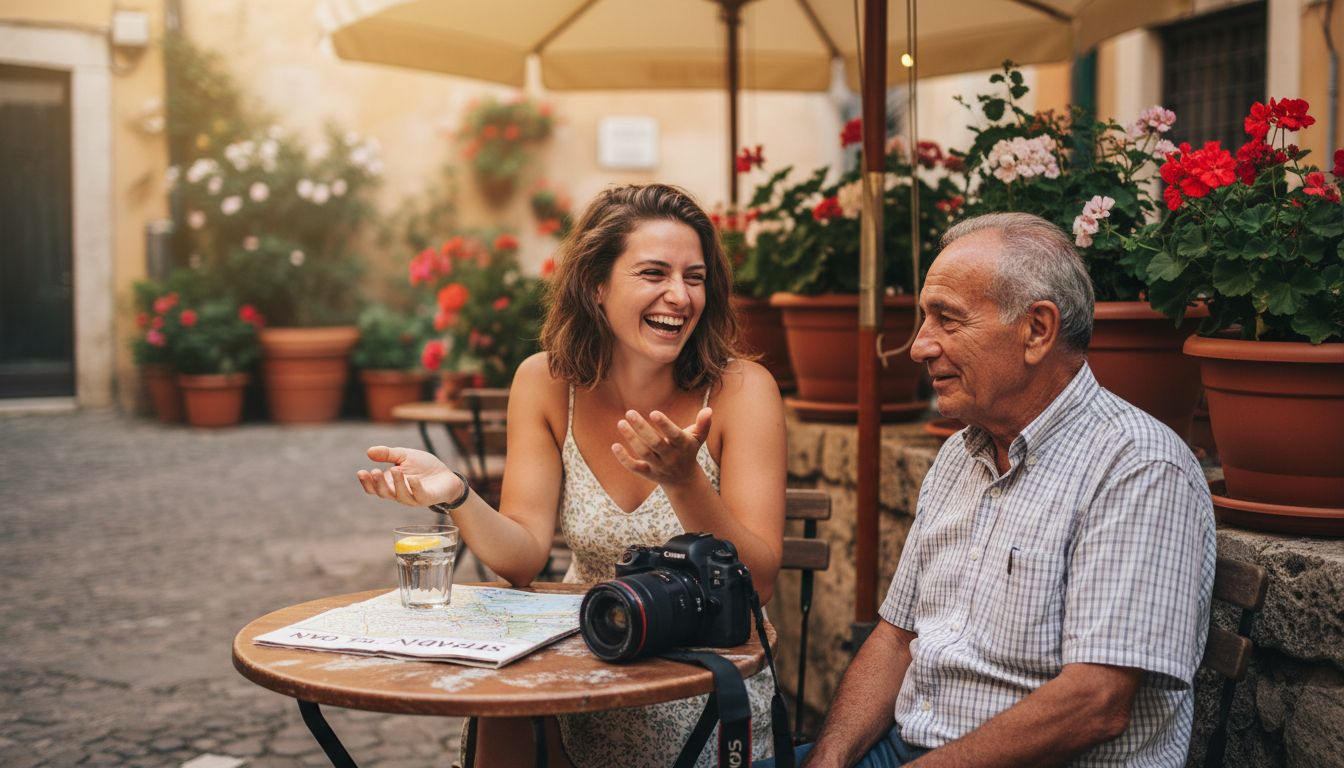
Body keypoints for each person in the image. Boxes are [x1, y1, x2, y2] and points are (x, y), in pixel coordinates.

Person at [357, 183, 787, 768]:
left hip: (700, 685)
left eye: (695, 277)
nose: (680, 296)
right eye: (653, 273)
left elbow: (757, 583)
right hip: (581, 664)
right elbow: (522, 556)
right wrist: (456, 493)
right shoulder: (545, 382)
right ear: (596, 285)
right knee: (503, 712)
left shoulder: (742, 390)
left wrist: (684, 480)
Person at [767, 212, 1216, 767]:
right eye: (924, 319)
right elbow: (895, 638)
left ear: (1037, 330)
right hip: (909, 748)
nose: (919, 346)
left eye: (947, 320)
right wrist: (828, 760)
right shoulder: (961, 454)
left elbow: (1096, 701)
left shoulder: (1138, 467)